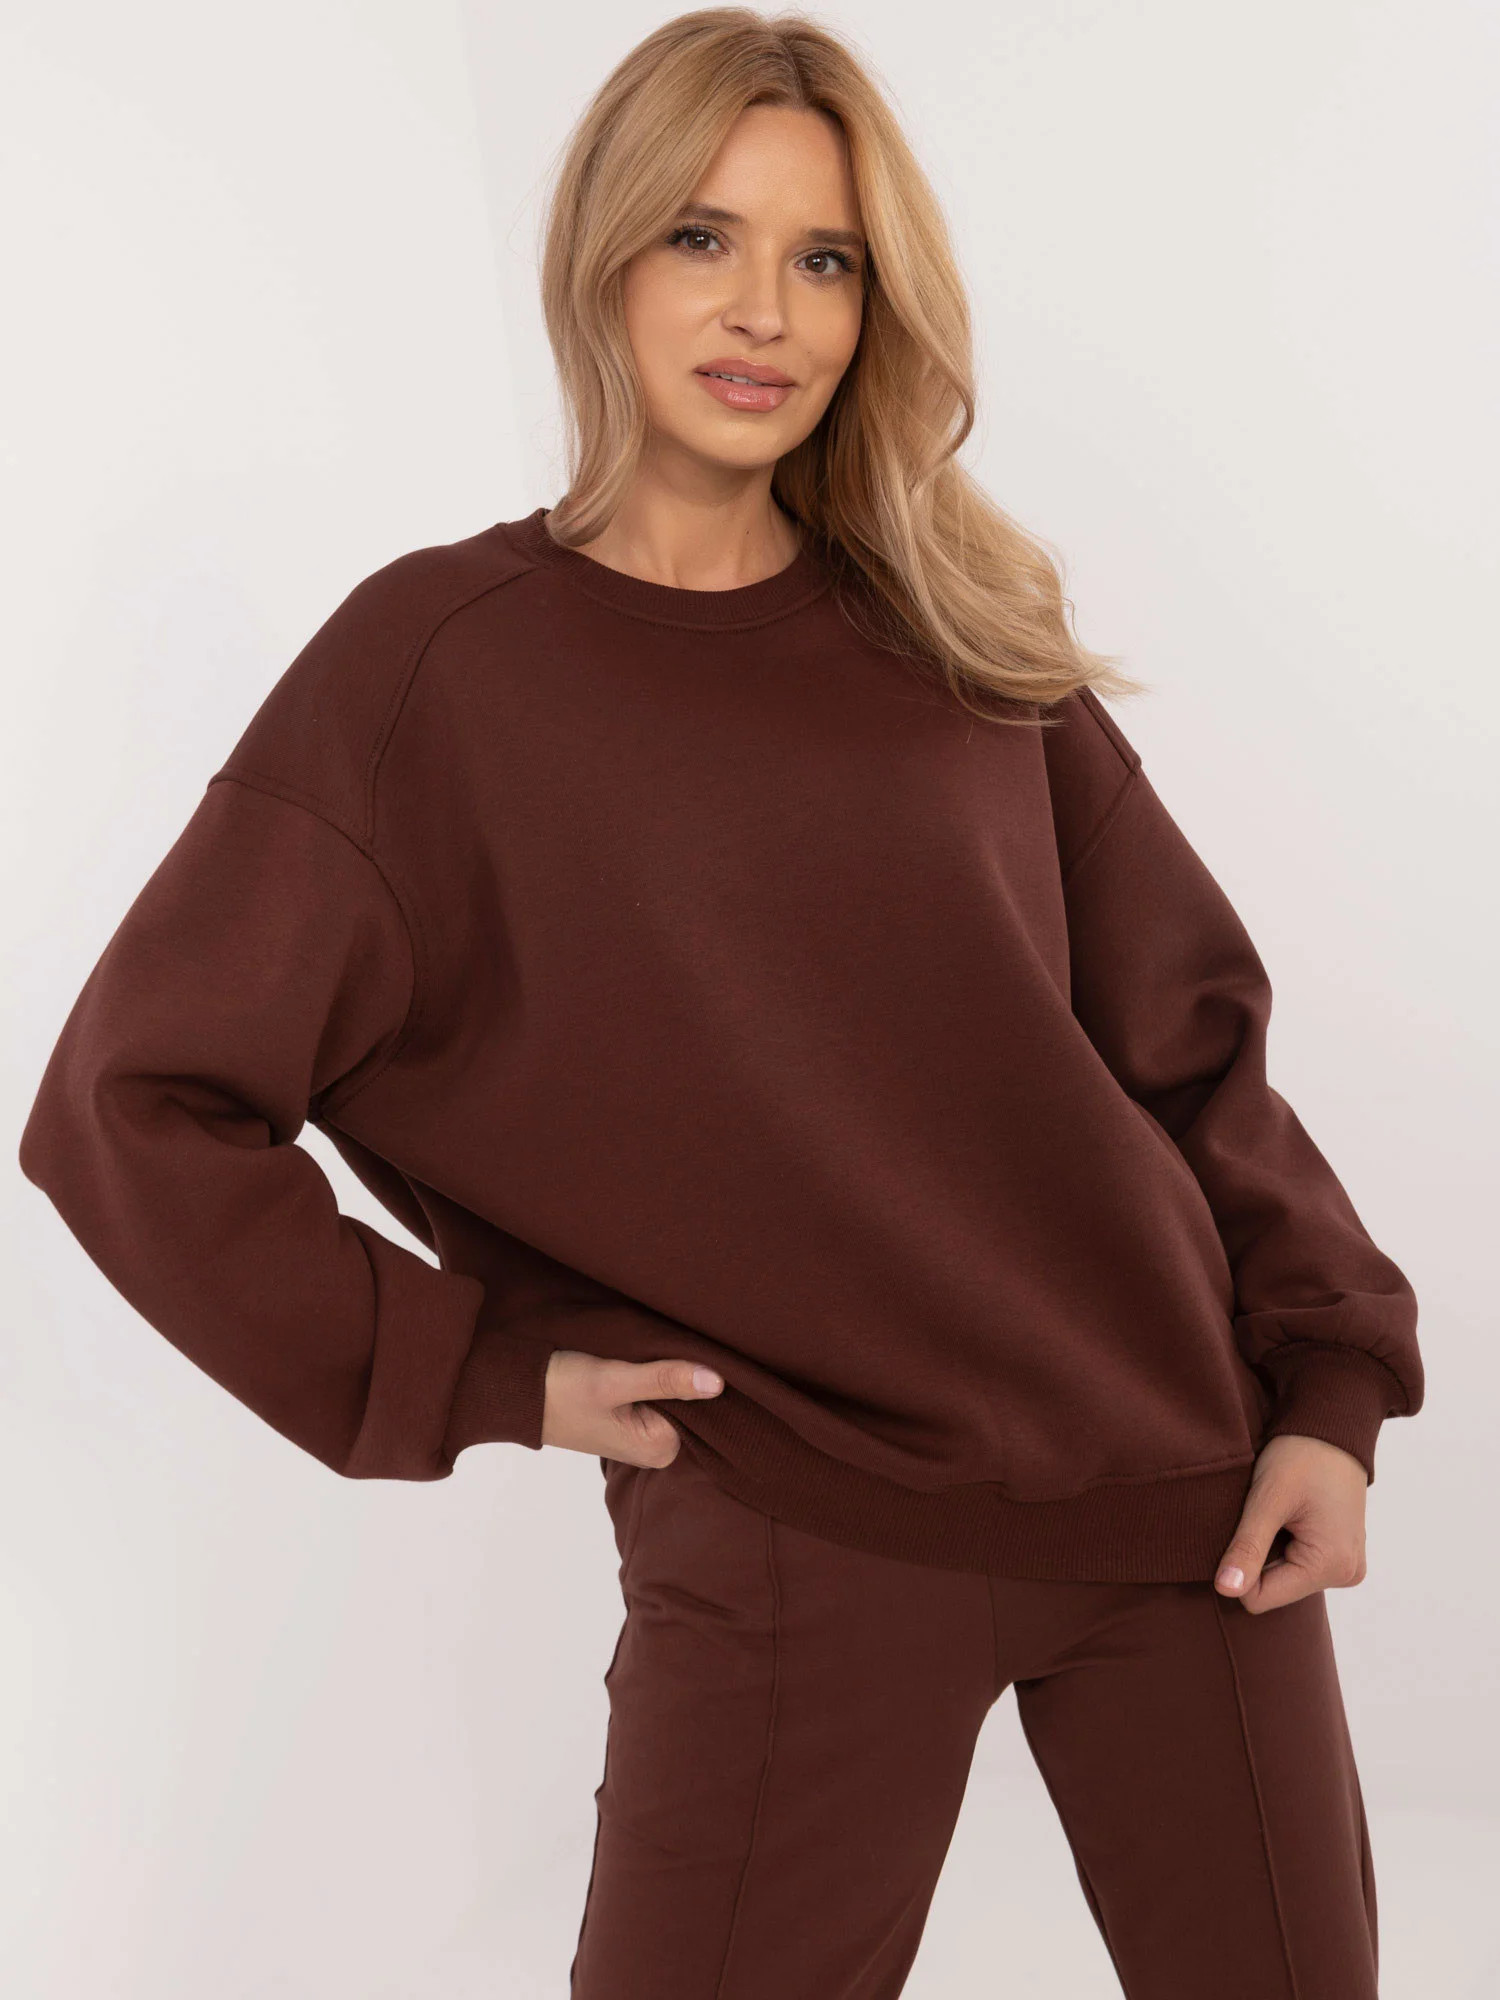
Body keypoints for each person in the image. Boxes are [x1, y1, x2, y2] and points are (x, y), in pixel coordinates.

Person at [18, 9, 1424, 1997]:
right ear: (602, 259)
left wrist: (1333, 1399)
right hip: (790, 1534)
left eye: (824, 258)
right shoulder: (433, 667)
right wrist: (486, 1373)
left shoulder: (958, 639)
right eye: (704, 236)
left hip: (1190, 1508)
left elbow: (1193, 1048)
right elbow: (133, 1105)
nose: (766, 308)